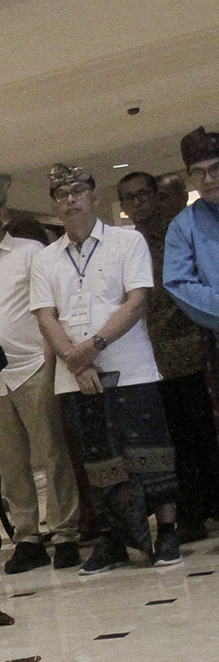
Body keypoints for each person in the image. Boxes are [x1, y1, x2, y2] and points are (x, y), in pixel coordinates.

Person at [31, 164, 181, 572]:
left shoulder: (126, 242)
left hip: (130, 366)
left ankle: (167, 533)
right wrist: (75, 361)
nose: (71, 200)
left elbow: (136, 301)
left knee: (150, 451)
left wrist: (93, 346)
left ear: (94, 196)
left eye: (78, 191)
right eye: (62, 195)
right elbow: (46, 317)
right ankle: (116, 541)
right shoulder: (45, 260)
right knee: (100, 460)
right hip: (75, 375)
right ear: (55, 205)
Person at [0, 188, 83, 572]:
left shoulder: (30, 253)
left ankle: (65, 534)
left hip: (33, 367)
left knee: (51, 453)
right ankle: (26, 537)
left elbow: (49, 309)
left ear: (0, 214)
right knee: (10, 464)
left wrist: (48, 354)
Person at [119, 170, 219, 541]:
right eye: (129, 198)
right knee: (170, 440)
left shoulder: (179, 235)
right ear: (124, 207)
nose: (138, 202)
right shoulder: (123, 246)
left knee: (202, 433)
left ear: (157, 197)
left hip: (190, 349)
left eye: (144, 194)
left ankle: (207, 506)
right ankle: (188, 512)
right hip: (146, 359)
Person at [165, 126, 219, 335]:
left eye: (215, 168)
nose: (208, 179)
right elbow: (179, 284)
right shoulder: (183, 226)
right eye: (198, 172)